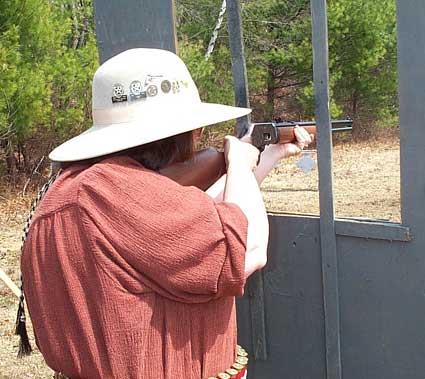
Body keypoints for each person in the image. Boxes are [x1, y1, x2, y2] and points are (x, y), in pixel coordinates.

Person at [20, 48, 312, 379]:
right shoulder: (117, 193)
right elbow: (247, 249)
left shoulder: (84, 185)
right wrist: (240, 164)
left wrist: (266, 157)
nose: (199, 134)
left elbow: (201, 217)